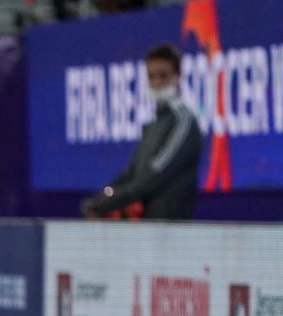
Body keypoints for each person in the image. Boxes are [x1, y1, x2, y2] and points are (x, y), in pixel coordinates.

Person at [82, 42, 202, 221]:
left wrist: (106, 203)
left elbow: (153, 175)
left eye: (163, 76)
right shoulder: (153, 125)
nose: (157, 82)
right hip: (147, 228)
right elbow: (131, 173)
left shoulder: (184, 122)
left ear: (177, 77)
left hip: (172, 229)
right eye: (151, 76)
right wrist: (103, 196)